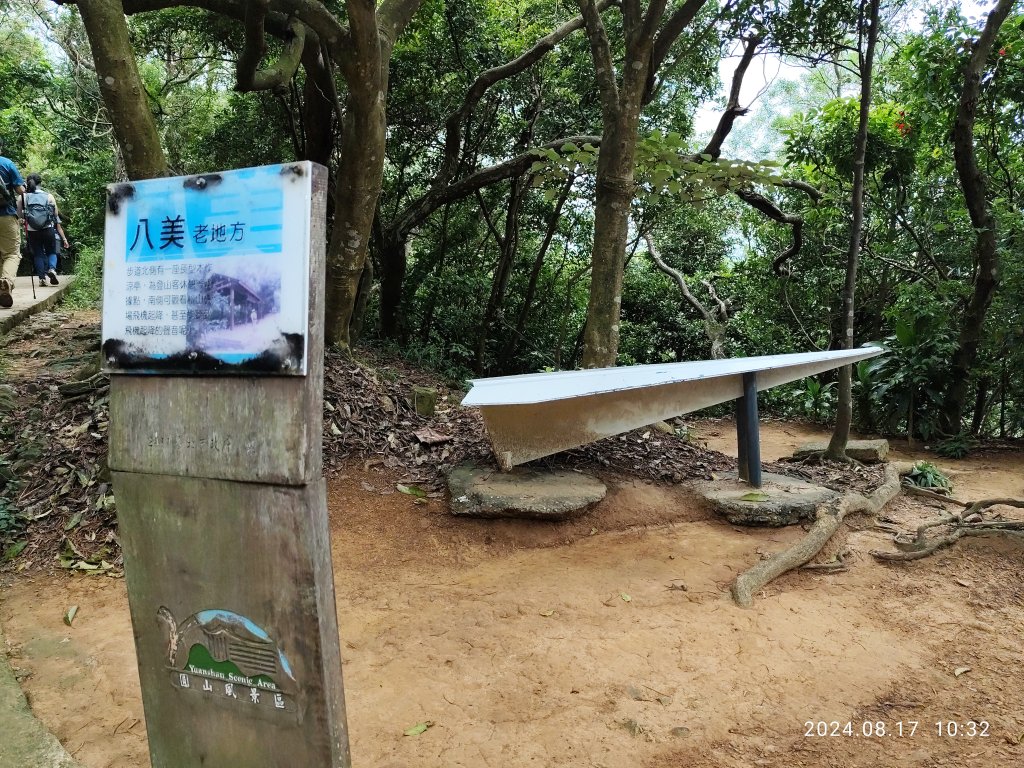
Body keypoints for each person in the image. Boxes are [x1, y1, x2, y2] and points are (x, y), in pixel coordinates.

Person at [17, 173, 69, 288]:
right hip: (48, 228)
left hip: (32, 230)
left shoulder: (23, 197)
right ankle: (52, 269)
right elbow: (55, 214)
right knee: (51, 251)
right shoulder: (49, 196)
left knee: (38, 254)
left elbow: (19, 214)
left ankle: (42, 279)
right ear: (40, 183)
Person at [0, 144, 26, 308]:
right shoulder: (7, 163)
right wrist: (24, 188)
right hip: (6, 215)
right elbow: (20, 190)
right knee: (11, 253)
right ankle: (6, 282)